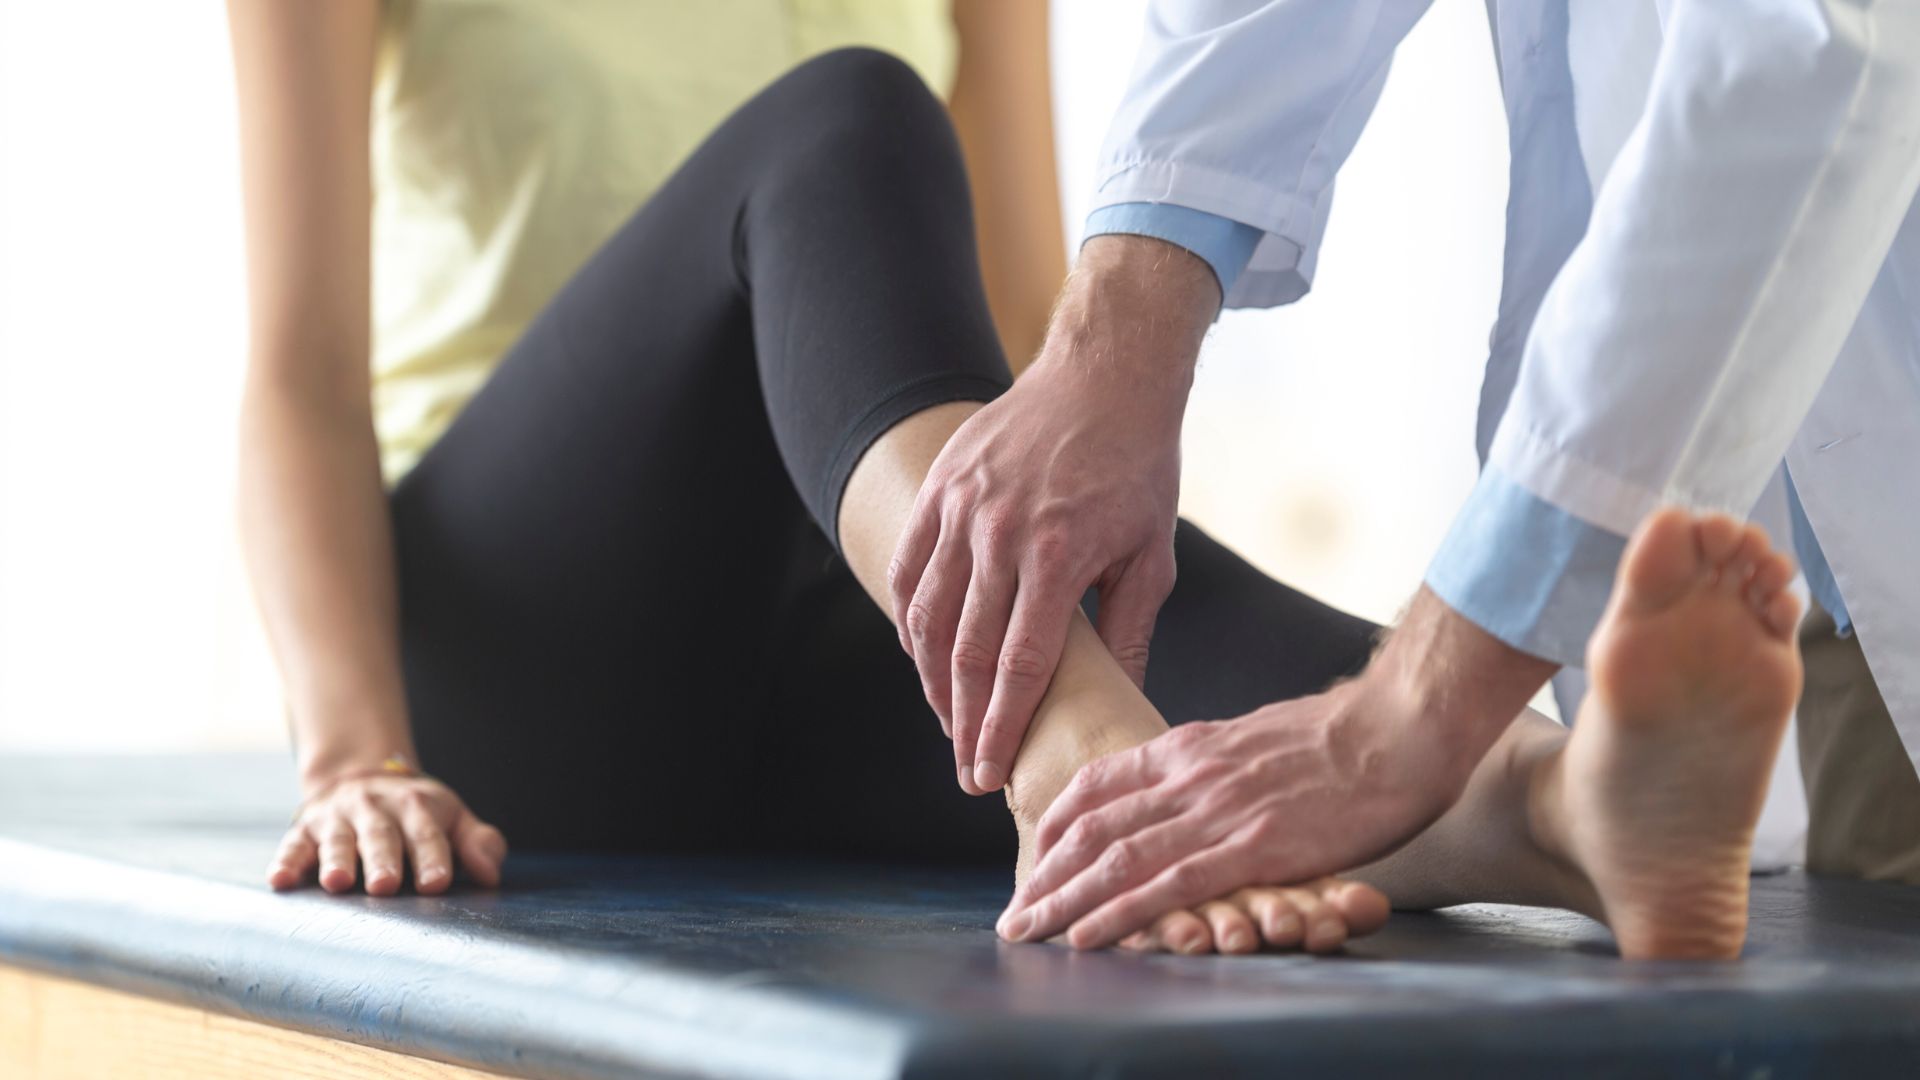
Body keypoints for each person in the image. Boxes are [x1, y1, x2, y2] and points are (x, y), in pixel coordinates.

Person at [227, 0, 1388, 955]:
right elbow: (305, 377)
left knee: (1361, 702)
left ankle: (1550, 807)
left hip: (850, 600)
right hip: (542, 641)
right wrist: (348, 762)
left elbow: (1032, 320)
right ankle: (1068, 736)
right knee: (846, 112)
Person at [894, 1, 1920, 947]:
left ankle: (1562, 808)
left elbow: (1811, 37)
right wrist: (1119, 325)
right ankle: (1568, 810)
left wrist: (1413, 712)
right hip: (1831, 534)